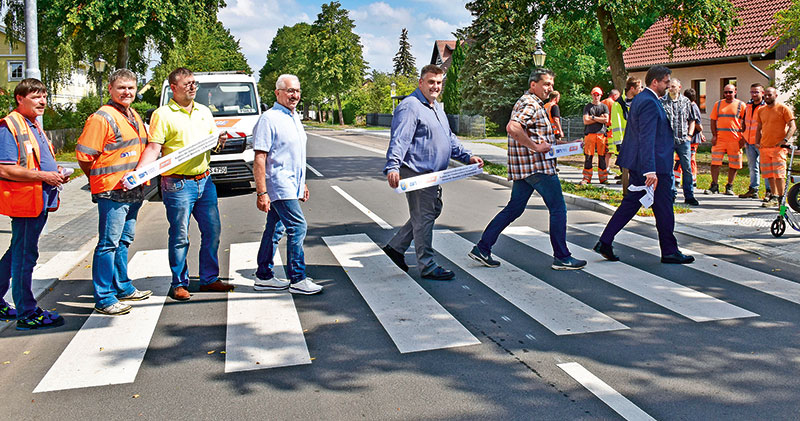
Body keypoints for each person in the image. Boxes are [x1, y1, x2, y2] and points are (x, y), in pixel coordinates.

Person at [468, 68, 586, 271]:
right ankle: (562, 257)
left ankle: (482, 248)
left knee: (514, 208)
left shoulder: (533, 103)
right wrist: (535, 147)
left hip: (526, 168)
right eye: (546, 84)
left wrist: (568, 145)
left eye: (551, 84)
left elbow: (542, 138)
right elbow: (513, 127)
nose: (550, 88)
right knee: (558, 208)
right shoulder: (530, 103)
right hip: (537, 167)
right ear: (534, 85)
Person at [138, 67, 233, 301]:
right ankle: (179, 283)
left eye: (194, 83)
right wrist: (140, 174)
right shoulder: (163, 114)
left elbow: (213, 146)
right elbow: (154, 147)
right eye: (187, 83)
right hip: (177, 184)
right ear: (173, 88)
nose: (192, 87)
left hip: (205, 180)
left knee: (213, 231)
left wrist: (219, 141)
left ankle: (209, 279)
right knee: (180, 235)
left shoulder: (204, 111)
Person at [383, 64, 484, 280]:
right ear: (421, 83)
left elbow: (448, 137)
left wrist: (467, 156)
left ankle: (396, 247)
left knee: (430, 212)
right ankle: (427, 265)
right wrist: (393, 166)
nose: (435, 86)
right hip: (417, 172)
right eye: (431, 82)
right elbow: (400, 139)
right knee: (425, 216)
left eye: (439, 83)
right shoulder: (410, 106)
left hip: (433, 174)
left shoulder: (436, 107)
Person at [594, 65, 694, 265]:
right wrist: (650, 170)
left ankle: (606, 241)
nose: (668, 86)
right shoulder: (648, 101)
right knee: (662, 206)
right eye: (666, 82)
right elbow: (646, 137)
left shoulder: (643, 99)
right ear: (655, 82)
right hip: (653, 166)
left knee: (638, 204)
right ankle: (669, 251)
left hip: (647, 164)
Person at [76, 69, 152, 315]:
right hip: (112, 191)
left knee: (123, 241)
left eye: (131, 88)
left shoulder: (132, 114)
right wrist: (98, 178)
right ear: (110, 89)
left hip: (133, 190)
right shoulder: (102, 117)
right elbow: (85, 156)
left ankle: (123, 287)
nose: (127, 92)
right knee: (108, 244)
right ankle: (104, 298)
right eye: (121, 88)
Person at [0, 78, 70, 329]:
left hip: (37, 200)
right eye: (36, 96)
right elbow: (5, 169)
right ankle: (27, 313)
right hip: (25, 202)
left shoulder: (32, 125)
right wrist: (44, 176)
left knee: (16, 252)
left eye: (44, 96)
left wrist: (56, 171)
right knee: (24, 256)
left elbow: (36, 161)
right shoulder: (10, 126)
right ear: (20, 98)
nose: (42, 101)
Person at [250, 74, 321, 295]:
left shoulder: (293, 117)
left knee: (274, 228)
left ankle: (263, 276)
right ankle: (298, 278)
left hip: (291, 184)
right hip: (278, 184)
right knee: (298, 226)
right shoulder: (269, 119)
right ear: (277, 92)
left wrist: (303, 184)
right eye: (290, 90)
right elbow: (260, 158)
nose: (295, 95)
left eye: (297, 91)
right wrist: (262, 192)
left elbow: (295, 156)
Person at [757, 87, 796, 207]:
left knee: (779, 175)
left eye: (770, 95)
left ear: (776, 95)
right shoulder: (761, 110)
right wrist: (756, 142)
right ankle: (773, 197)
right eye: (766, 95)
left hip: (778, 149)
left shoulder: (783, 109)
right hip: (764, 147)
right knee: (769, 175)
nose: (767, 97)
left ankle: (781, 199)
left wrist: (784, 140)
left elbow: (792, 126)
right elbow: (759, 128)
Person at [662, 78, 697, 205]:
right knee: (669, 168)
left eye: (674, 86)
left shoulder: (686, 101)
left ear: (679, 87)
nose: (671, 89)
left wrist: (689, 135)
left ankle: (689, 195)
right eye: (670, 87)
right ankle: (671, 194)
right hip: (668, 140)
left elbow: (692, 119)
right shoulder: (662, 102)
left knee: (687, 168)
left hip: (683, 140)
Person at [705, 84, 745, 195]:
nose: (728, 94)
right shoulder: (718, 105)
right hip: (720, 139)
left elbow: (746, 123)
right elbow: (713, 120)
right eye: (726, 92)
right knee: (715, 163)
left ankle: (729, 186)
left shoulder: (741, 105)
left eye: (730, 92)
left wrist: (743, 138)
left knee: (734, 164)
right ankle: (714, 185)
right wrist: (714, 135)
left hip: (735, 139)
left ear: (735, 92)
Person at [610, 77, 643, 194]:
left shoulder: (639, 101)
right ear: (632, 88)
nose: (641, 89)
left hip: (639, 141)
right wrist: (619, 143)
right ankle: (626, 194)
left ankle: (639, 193)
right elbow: (616, 126)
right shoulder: (618, 104)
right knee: (626, 171)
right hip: (626, 142)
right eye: (639, 87)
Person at [739, 83, 770, 200]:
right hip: (749, 141)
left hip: (762, 142)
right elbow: (744, 123)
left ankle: (769, 191)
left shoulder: (766, 106)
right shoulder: (748, 106)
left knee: (765, 167)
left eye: (757, 92)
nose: (754, 94)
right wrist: (743, 137)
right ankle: (753, 189)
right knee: (752, 167)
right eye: (752, 92)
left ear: (762, 93)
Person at [676, 88, 706, 193]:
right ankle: (677, 178)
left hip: (692, 138)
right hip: (687, 138)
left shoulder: (692, 107)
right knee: (680, 159)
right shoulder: (689, 105)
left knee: (690, 159)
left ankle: (693, 179)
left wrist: (699, 132)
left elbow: (697, 124)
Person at [581, 87, 610, 185]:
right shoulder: (588, 107)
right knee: (588, 156)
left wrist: (592, 117)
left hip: (601, 135)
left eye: (598, 95)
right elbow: (585, 121)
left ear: (601, 95)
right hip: (590, 134)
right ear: (592, 95)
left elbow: (606, 120)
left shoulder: (604, 107)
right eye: (594, 94)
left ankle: (603, 178)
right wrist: (598, 118)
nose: (596, 96)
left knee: (602, 157)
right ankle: (586, 178)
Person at [602, 89, 620, 172]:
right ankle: (606, 167)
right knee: (609, 151)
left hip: (602, 130)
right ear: (614, 95)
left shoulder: (602, 102)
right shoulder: (613, 104)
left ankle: (603, 168)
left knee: (603, 151)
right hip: (610, 131)